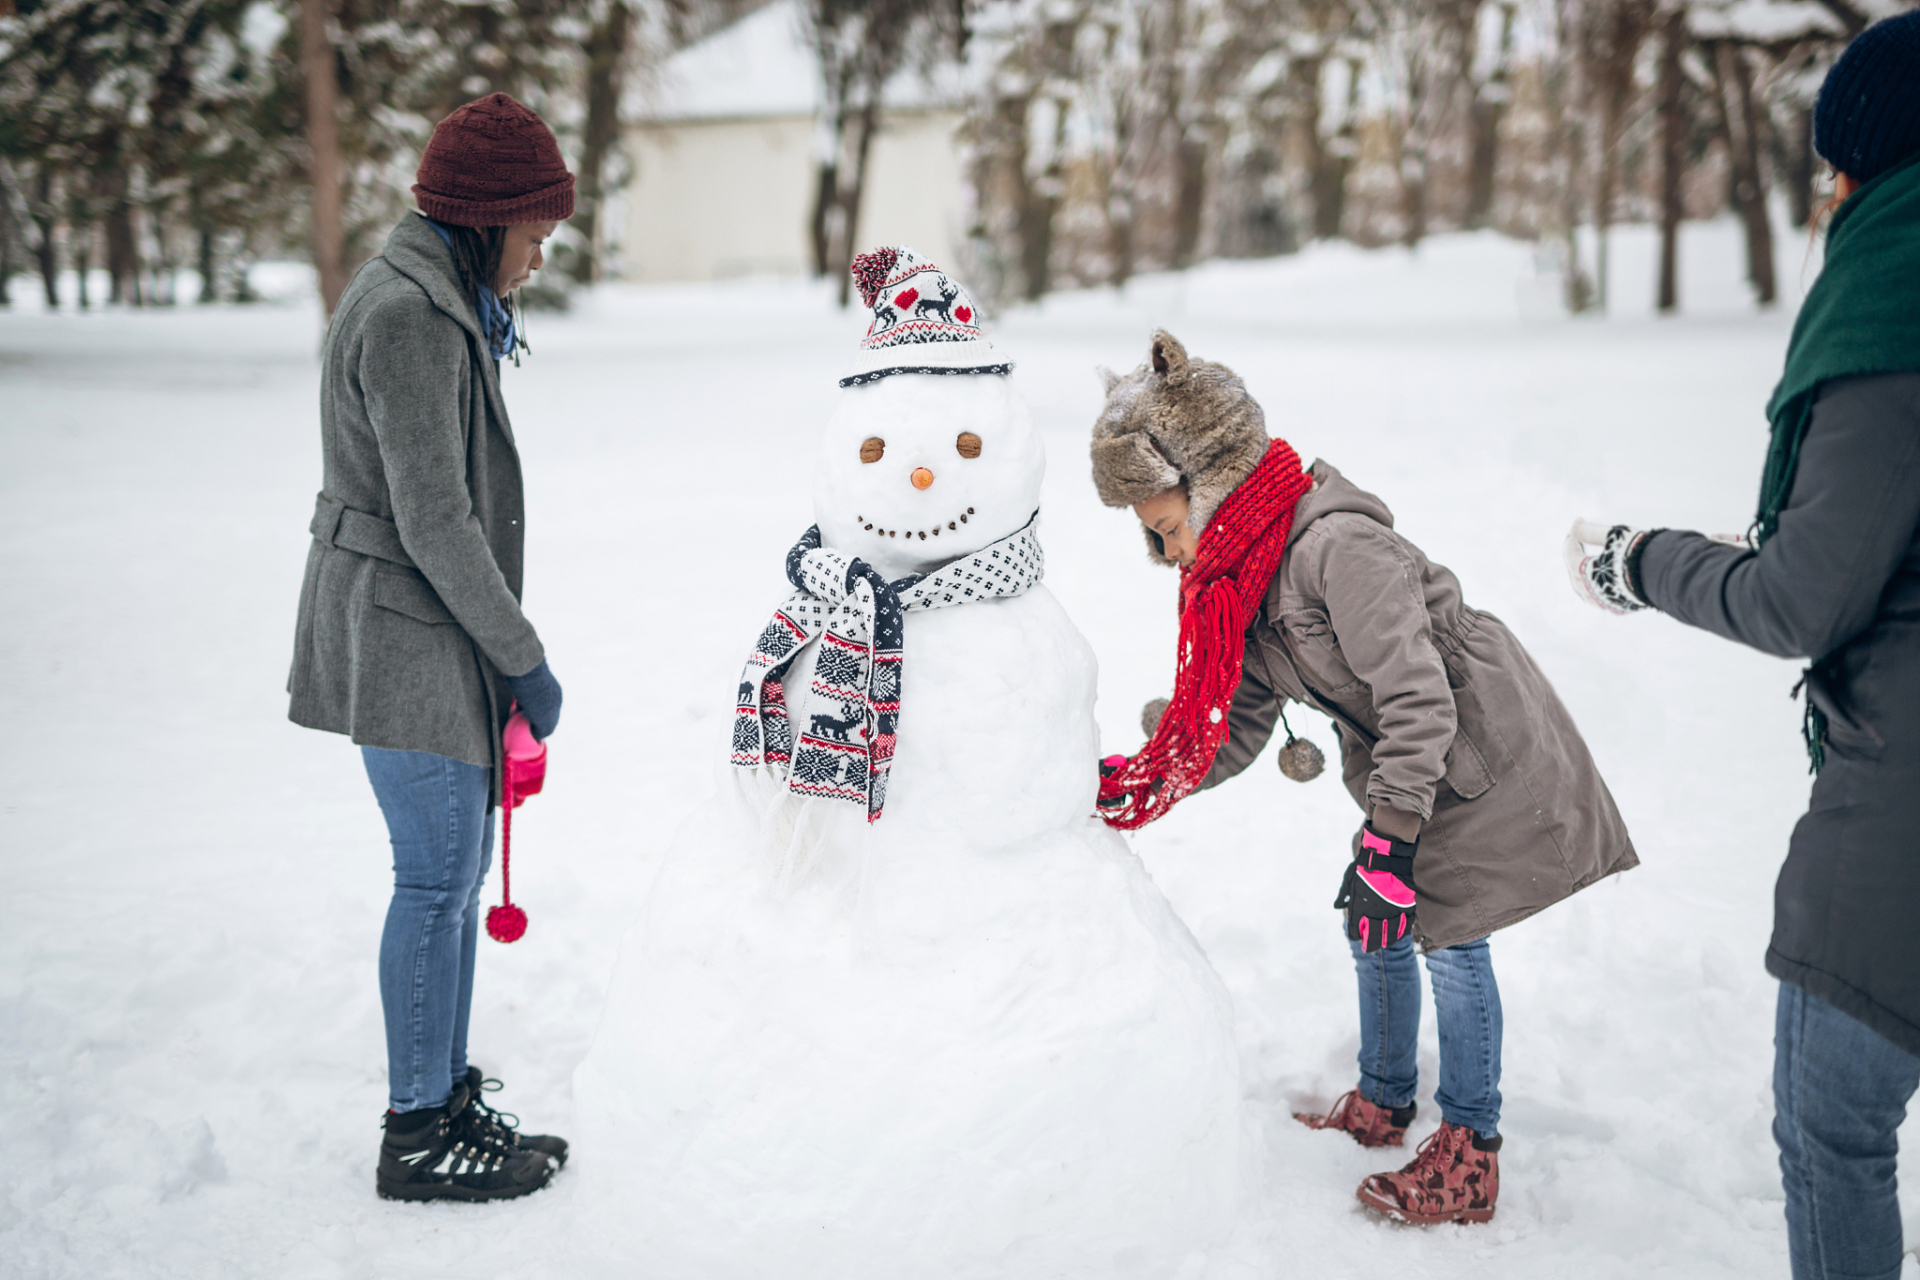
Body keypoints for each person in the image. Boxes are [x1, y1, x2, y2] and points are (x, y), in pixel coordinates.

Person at [1090, 331, 1638, 1226]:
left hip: (1477, 747)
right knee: (1375, 918)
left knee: (1450, 933)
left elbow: (1422, 698)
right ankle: (1385, 1101)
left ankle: (1471, 1152)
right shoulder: (1245, 585)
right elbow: (1238, 728)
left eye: (1168, 530)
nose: (1171, 558)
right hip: (1413, 761)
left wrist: (1390, 837)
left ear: (1215, 481)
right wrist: (1138, 782)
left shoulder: (1335, 549)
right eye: (1154, 541)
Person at [1566, 14, 1920, 1276]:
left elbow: (1802, 597)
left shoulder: (1898, 307)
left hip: (1902, 806)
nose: (1828, 193)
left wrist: (1642, 559)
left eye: (1842, 167)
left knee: (1831, 1124)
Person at [286, 93, 572, 1203]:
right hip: (407, 630)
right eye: (536, 233)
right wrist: (523, 655)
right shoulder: (409, 315)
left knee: (449, 880)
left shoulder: (434, 295)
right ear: (487, 217)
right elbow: (434, 517)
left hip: (428, 624)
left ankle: (443, 1090)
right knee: (437, 874)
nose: (541, 257)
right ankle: (417, 1130)